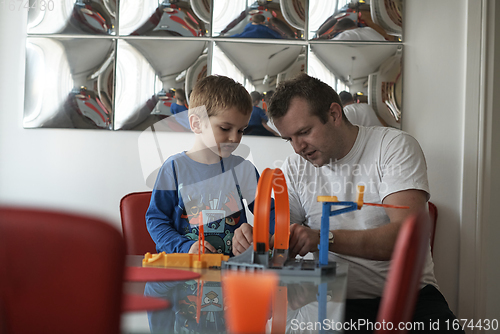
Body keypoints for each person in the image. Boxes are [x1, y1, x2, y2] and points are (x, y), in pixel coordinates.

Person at [232, 73, 463, 333]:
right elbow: (284, 240)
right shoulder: (294, 168)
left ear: (334, 114)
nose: (298, 147)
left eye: (304, 132)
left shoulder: (393, 147)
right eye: (289, 139)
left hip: (411, 300)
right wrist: (257, 240)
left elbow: (407, 239)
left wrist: (322, 238)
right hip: (329, 302)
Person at [146, 75, 274, 256]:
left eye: (241, 130)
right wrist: (186, 247)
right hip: (185, 270)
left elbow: (269, 212)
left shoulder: (243, 170)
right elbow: (156, 220)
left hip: (231, 271)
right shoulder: (173, 169)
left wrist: (262, 236)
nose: (235, 138)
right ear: (196, 123)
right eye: (224, 128)